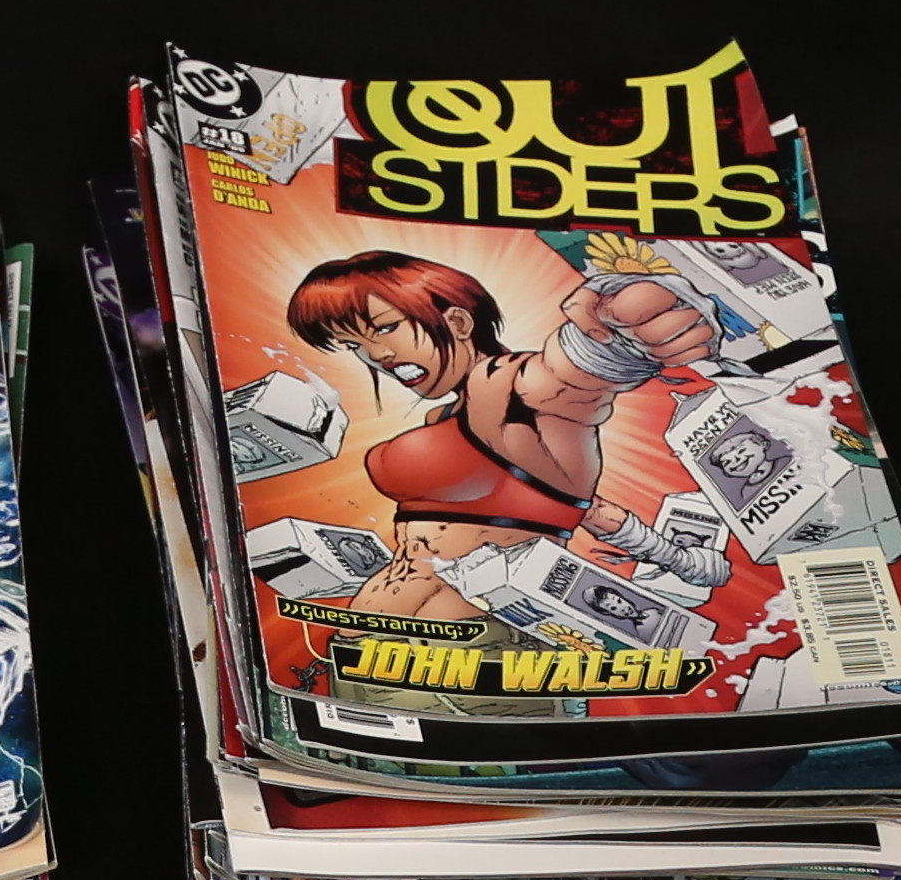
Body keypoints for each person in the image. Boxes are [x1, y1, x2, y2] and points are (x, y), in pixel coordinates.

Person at [279, 247, 724, 623]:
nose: (376, 354)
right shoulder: (453, 415)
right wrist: (677, 559)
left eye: (385, 327)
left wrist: (621, 327)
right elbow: (581, 507)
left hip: (473, 647)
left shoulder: (503, 383)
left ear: (458, 323)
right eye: (354, 345)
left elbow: (563, 379)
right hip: (396, 643)